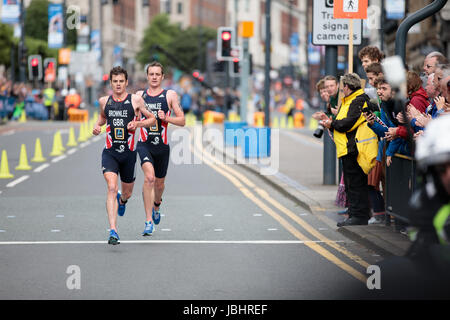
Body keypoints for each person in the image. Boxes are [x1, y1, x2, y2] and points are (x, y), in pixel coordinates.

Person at [93, 66, 156, 245]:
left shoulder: (135, 101)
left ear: (126, 82)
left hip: (128, 155)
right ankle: (113, 230)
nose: (118, 84)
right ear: (111, 83)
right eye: (115, 81)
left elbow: (152, 119)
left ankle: (123, 200)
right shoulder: (104, 101)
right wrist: (98, 127)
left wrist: (138, 125)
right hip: (110, 153)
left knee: (127, 192)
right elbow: (103, 118)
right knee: (111, 187)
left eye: (121, 81)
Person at [135, 62, 185, 236]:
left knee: (159, 184)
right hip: (144, 145)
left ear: (162, 77)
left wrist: (167, 119)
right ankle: (148, 221)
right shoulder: (139, 96)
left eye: (158, 74)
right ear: (147, 76)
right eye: (151, 74)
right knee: (149, 178)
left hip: (162, 147)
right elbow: (130, 117)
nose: (154, 77)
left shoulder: (169, 95)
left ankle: (157, 205)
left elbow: (182, 121)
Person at [319, 73, 371, 226]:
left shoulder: (358, 100)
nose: (342, 90)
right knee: (351, 184)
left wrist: (332, 124)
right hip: (347, 149)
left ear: (347, 87)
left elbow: (346, 123)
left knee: (356, 184)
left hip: (353, 148)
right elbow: (342, 120)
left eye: (342, 88)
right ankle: (354, 215)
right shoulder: (350, 100)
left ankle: (359, 217)